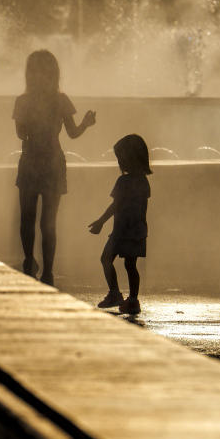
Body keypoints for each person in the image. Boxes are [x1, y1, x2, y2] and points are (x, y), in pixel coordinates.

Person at [14, 50, 96, 285]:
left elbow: (70, 132)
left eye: (44, 71)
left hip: (43, 162)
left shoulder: (43, 100)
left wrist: (85, 124)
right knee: (31, 219)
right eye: (36, 71)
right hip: (41, 161)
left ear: (52, 74)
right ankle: (32, 263)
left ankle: (43, 267)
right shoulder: (45, 100)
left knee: (43, 220)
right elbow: (22, 132)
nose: (40, 76)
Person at [88, 134, 152, 314]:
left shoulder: (123, 182)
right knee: (131, 265)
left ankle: (115, 293)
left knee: (106, 258)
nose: (119, 163)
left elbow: (115, 205)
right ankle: (133, 300)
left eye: (120, 158)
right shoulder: (143, 182)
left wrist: (100, 222)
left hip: (122, 230)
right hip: (137, 229)